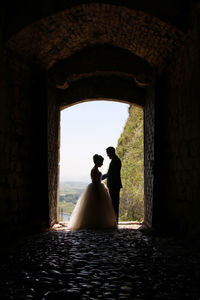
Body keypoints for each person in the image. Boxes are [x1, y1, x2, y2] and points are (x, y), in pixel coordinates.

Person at [68, 154, 117, 230]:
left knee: (98, 207)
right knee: (96, 206)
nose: (102, 164)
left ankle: (97, 222)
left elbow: (99, 179)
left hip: (98, 187)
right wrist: (98, 192)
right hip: (96, 188)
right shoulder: (94, 170)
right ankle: (96, 223)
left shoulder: (95, 170)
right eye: (101, 162)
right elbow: (95, 181)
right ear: (98, 162)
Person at [102, 147, 122, 223]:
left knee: (115, 203)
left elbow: (113, 174)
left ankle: (115, 220)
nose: (107, 155)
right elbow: (111, 173)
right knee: (114, 203)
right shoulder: (115, 160)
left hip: (114, 185)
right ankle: (114, 220)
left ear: (112, 152)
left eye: (108, 153)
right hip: (113, 185)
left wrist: (103, 176)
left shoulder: (116, 161)